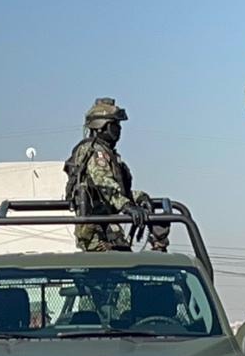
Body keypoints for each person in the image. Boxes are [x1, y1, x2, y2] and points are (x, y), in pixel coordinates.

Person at [63, 97, 168, 253]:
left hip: (108, 227)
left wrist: (139, 197)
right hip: (96, 232)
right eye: (115, 125)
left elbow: (117, 191)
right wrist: (127, 207)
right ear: (102, 126)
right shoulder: (95, 152)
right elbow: (105, 186)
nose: (118, 129)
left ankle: (158, 246)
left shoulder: (106, 152)